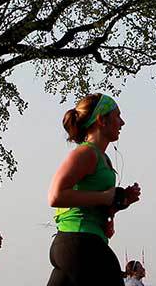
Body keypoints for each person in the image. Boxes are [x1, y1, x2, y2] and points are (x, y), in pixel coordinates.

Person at [47, 94, 142, 286]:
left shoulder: (103, 158)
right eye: (117, 116)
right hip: (79, 242)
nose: (122, 122)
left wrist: (119, 203)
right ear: (101, 120)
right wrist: (105, 197)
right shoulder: (86, 153)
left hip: (78, 242)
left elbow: (94, 202)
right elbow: (56, 196)